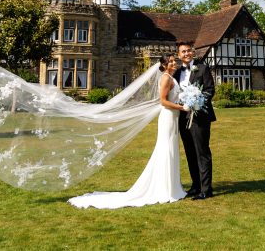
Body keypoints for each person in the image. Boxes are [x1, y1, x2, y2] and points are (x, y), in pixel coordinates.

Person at [68, 54, 187, 209]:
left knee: (170, 149)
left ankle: (171, 186)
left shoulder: (171, 77)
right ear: (164, 65)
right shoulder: (165, 78)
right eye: (170, 61)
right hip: (168, 116)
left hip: (173, 117)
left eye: (173, 60)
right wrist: (182, 107)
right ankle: (165, 188)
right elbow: (163, 101)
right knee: (166, 149)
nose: (174, 63)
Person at [174, 41, 216, 200]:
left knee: (202, 152)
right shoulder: (177, 73)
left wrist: (197, 102)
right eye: (183, 52)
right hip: (183, 118)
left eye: (188, 51)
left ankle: (206, 189)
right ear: (179, 55)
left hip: (200, 117)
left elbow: (209, 90)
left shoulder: (203, 68)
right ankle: (195, 186)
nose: (186, 54)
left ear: (193, 52)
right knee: (190, 152)